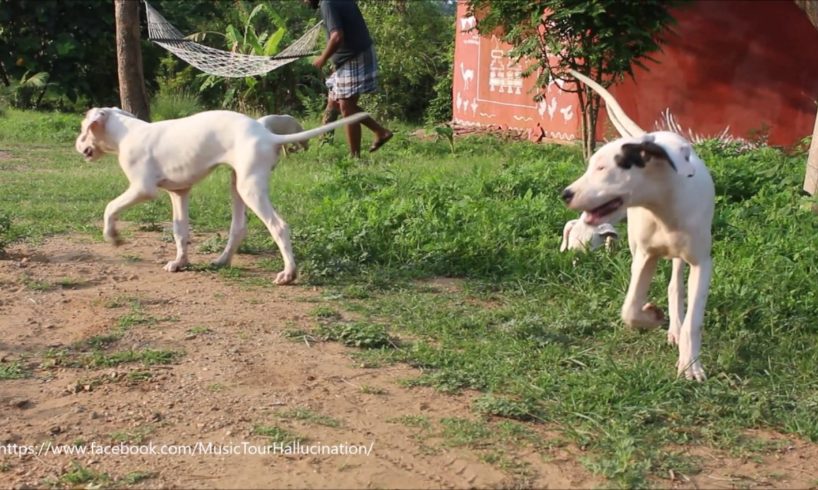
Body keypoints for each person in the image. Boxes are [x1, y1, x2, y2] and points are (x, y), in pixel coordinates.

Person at [305, 0, 393, 157]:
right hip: (349, 58)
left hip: (354, 57)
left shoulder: (327, 3)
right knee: (336, 103)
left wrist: (323, 59)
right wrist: (335, 62)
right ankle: (380, 131)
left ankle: (355, 157)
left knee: (346, 106)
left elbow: (337, 37)